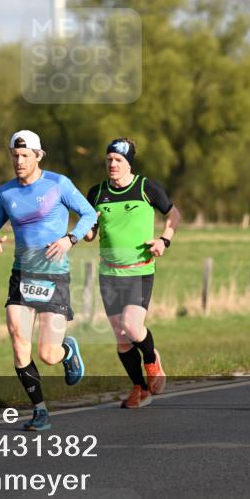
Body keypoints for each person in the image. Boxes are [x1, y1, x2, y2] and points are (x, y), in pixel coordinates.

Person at [0, 130, 97, 431]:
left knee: (47, 354)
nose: (19, 161)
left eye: (25, 156)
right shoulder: (5, 193)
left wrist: (70, 240)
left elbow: (88, 214)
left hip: (54, 276)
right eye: (15, 156)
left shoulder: (58, 184)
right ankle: (40, 410)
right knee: (20, 345)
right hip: (22, 274)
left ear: (38, 156)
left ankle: (67, 351)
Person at [83, 139, 181, 409]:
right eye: (109, 160)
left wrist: (164, 240)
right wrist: (80, 227)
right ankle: (139, 388)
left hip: (139, 270)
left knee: (132, 326)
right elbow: (90, 234)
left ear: (129, 163)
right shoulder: (96, 192)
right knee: (121, 337)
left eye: (118, 161)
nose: (112, 165)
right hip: (108, 273)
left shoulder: (145, 187)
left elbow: (174, 214)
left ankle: (152, 360)